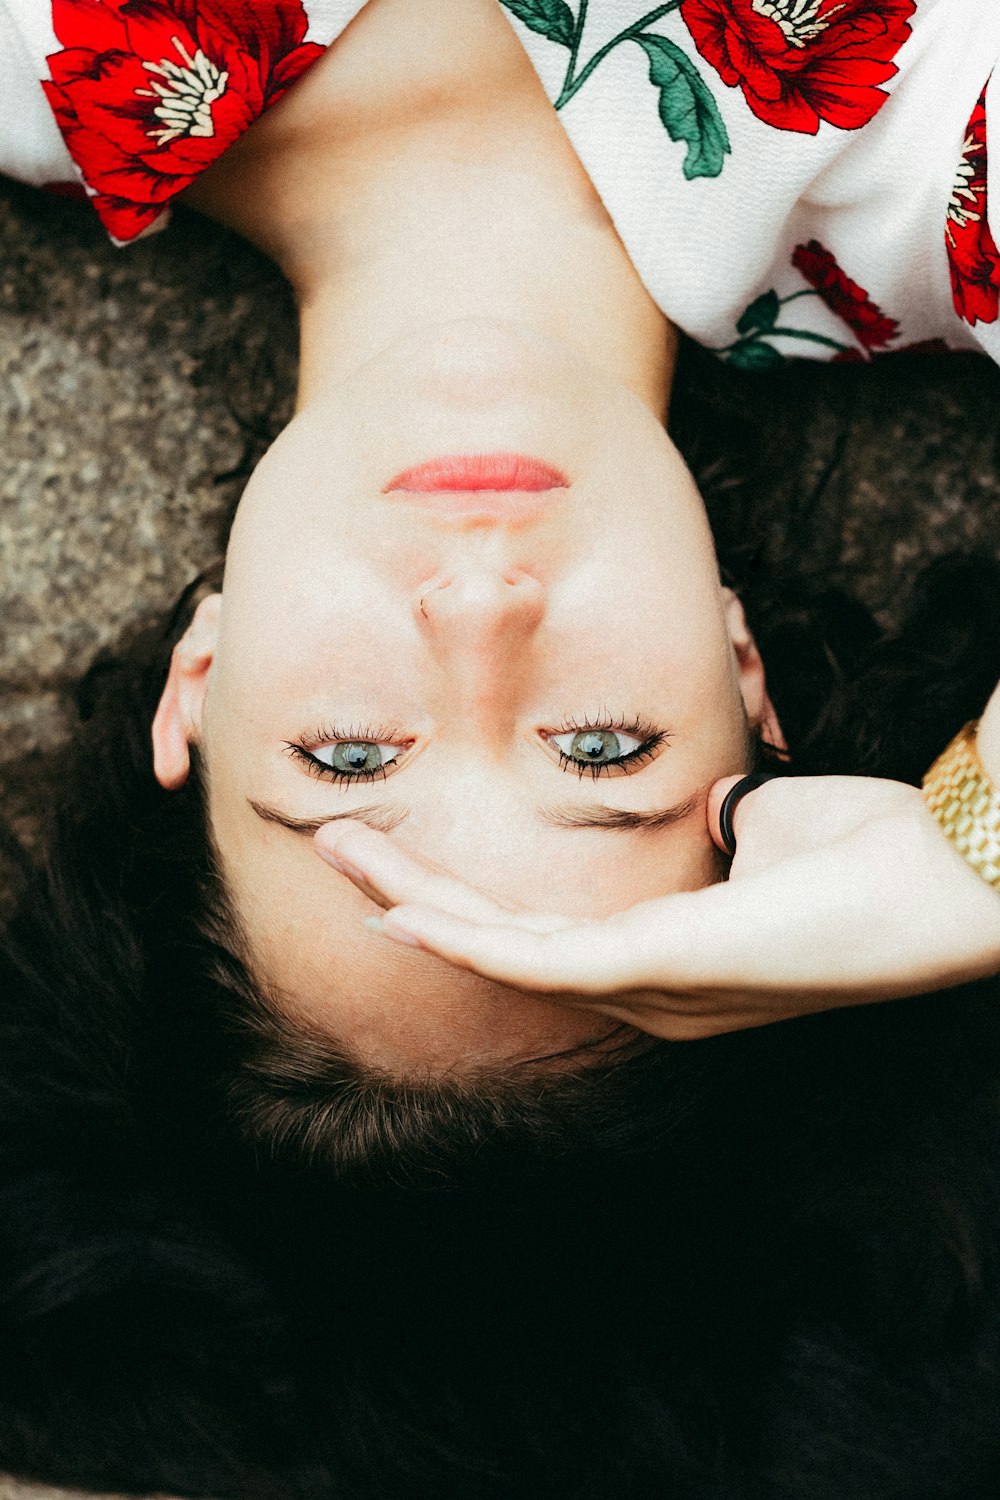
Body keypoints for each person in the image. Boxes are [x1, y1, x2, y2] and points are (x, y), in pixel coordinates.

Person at [3, 2, 1000, 1492]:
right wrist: (964, 858)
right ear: (746, 671)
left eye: (348, 758)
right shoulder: (925, 166)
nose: (481, 602)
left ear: (196, 679)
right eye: (604, 747)